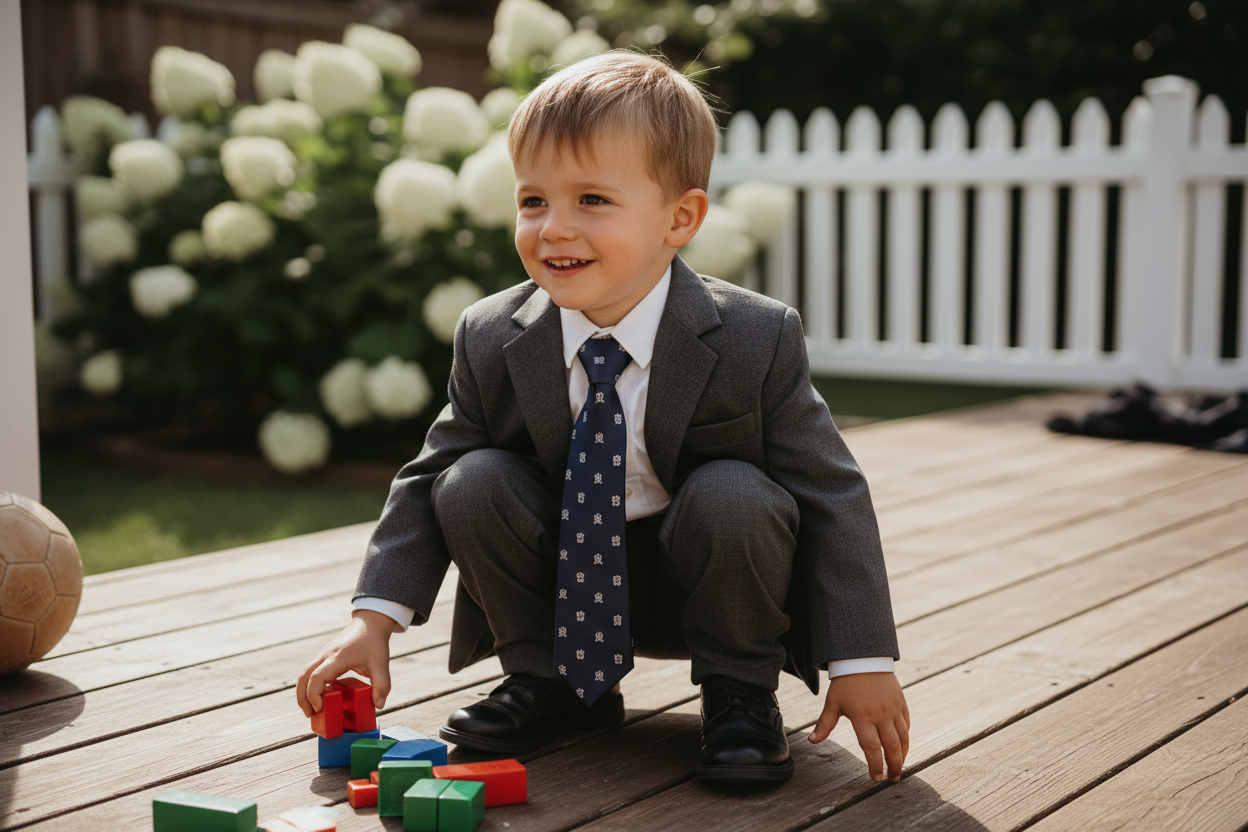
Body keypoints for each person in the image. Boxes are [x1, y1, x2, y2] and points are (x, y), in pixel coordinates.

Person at [297, 50, 909, 785]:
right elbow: (426, 478)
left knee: (735, 493)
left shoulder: (754, 337)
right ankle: (553, 684)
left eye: (591, 200)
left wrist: (863, 660)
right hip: (567, 590)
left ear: (679, 218)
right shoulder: (493, 334)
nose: (554, 228)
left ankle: (739, 693)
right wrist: (373, 619)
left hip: (710, 586)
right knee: (471, 480)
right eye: (533, 201)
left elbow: (831, 491)